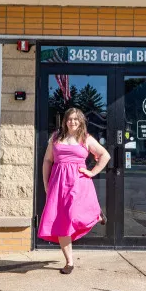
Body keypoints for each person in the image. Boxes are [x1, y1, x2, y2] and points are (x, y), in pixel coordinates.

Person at [38, 107, 111, 274]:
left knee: (74, 214)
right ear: (65, 121)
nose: (72, 122)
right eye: (69, 119)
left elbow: (105, 155)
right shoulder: (56, 138)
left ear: (81, 122)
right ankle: (69, 262)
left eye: (76, 119)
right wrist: (46, 183)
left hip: (78, 182)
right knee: (62, 221)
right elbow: (47, 161)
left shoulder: (86, 139)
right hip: (58, 183)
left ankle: (96, 215)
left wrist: (92, 172)